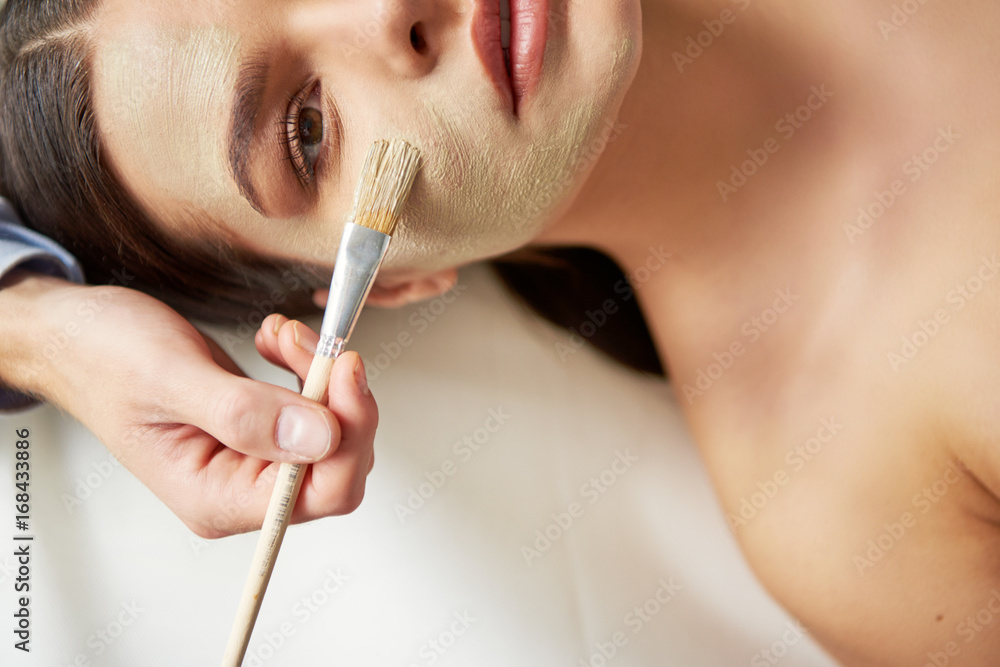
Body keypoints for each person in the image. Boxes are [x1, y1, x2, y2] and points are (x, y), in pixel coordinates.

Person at [2, 0, 1000, 665]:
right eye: (305, 129)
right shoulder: (860, 515)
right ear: (389, 282)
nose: (387, 12)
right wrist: (35, 325)